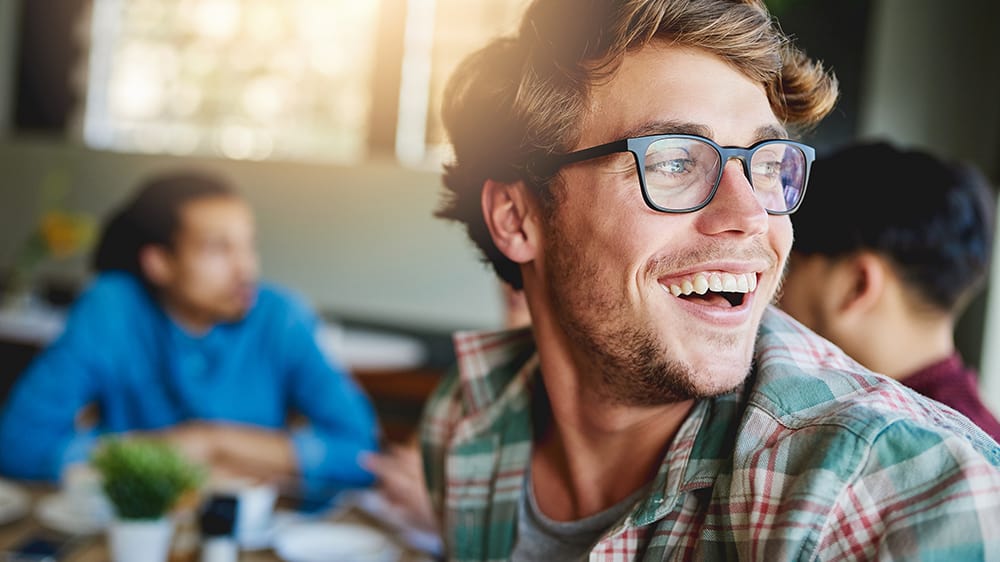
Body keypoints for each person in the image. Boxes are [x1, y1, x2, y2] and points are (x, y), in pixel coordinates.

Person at [407, 0, 1000, 559]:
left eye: (767, 164)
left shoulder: (889, 494)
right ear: (517, 217)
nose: (750, 218)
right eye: (674, 162)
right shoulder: (464, 423)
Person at [0, 171, 379, 496]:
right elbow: (17, 444)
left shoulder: (282, 316)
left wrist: (212, 441)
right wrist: (174, 448)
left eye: (249, 245)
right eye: (219, 249)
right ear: (158, 263)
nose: (245, 269)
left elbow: (362, 453)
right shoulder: (111, 308)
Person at [778, 141, 1000, 441]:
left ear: (858, 286)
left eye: (790, 267)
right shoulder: (979, 432)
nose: (774, 292)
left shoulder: (886, 441)